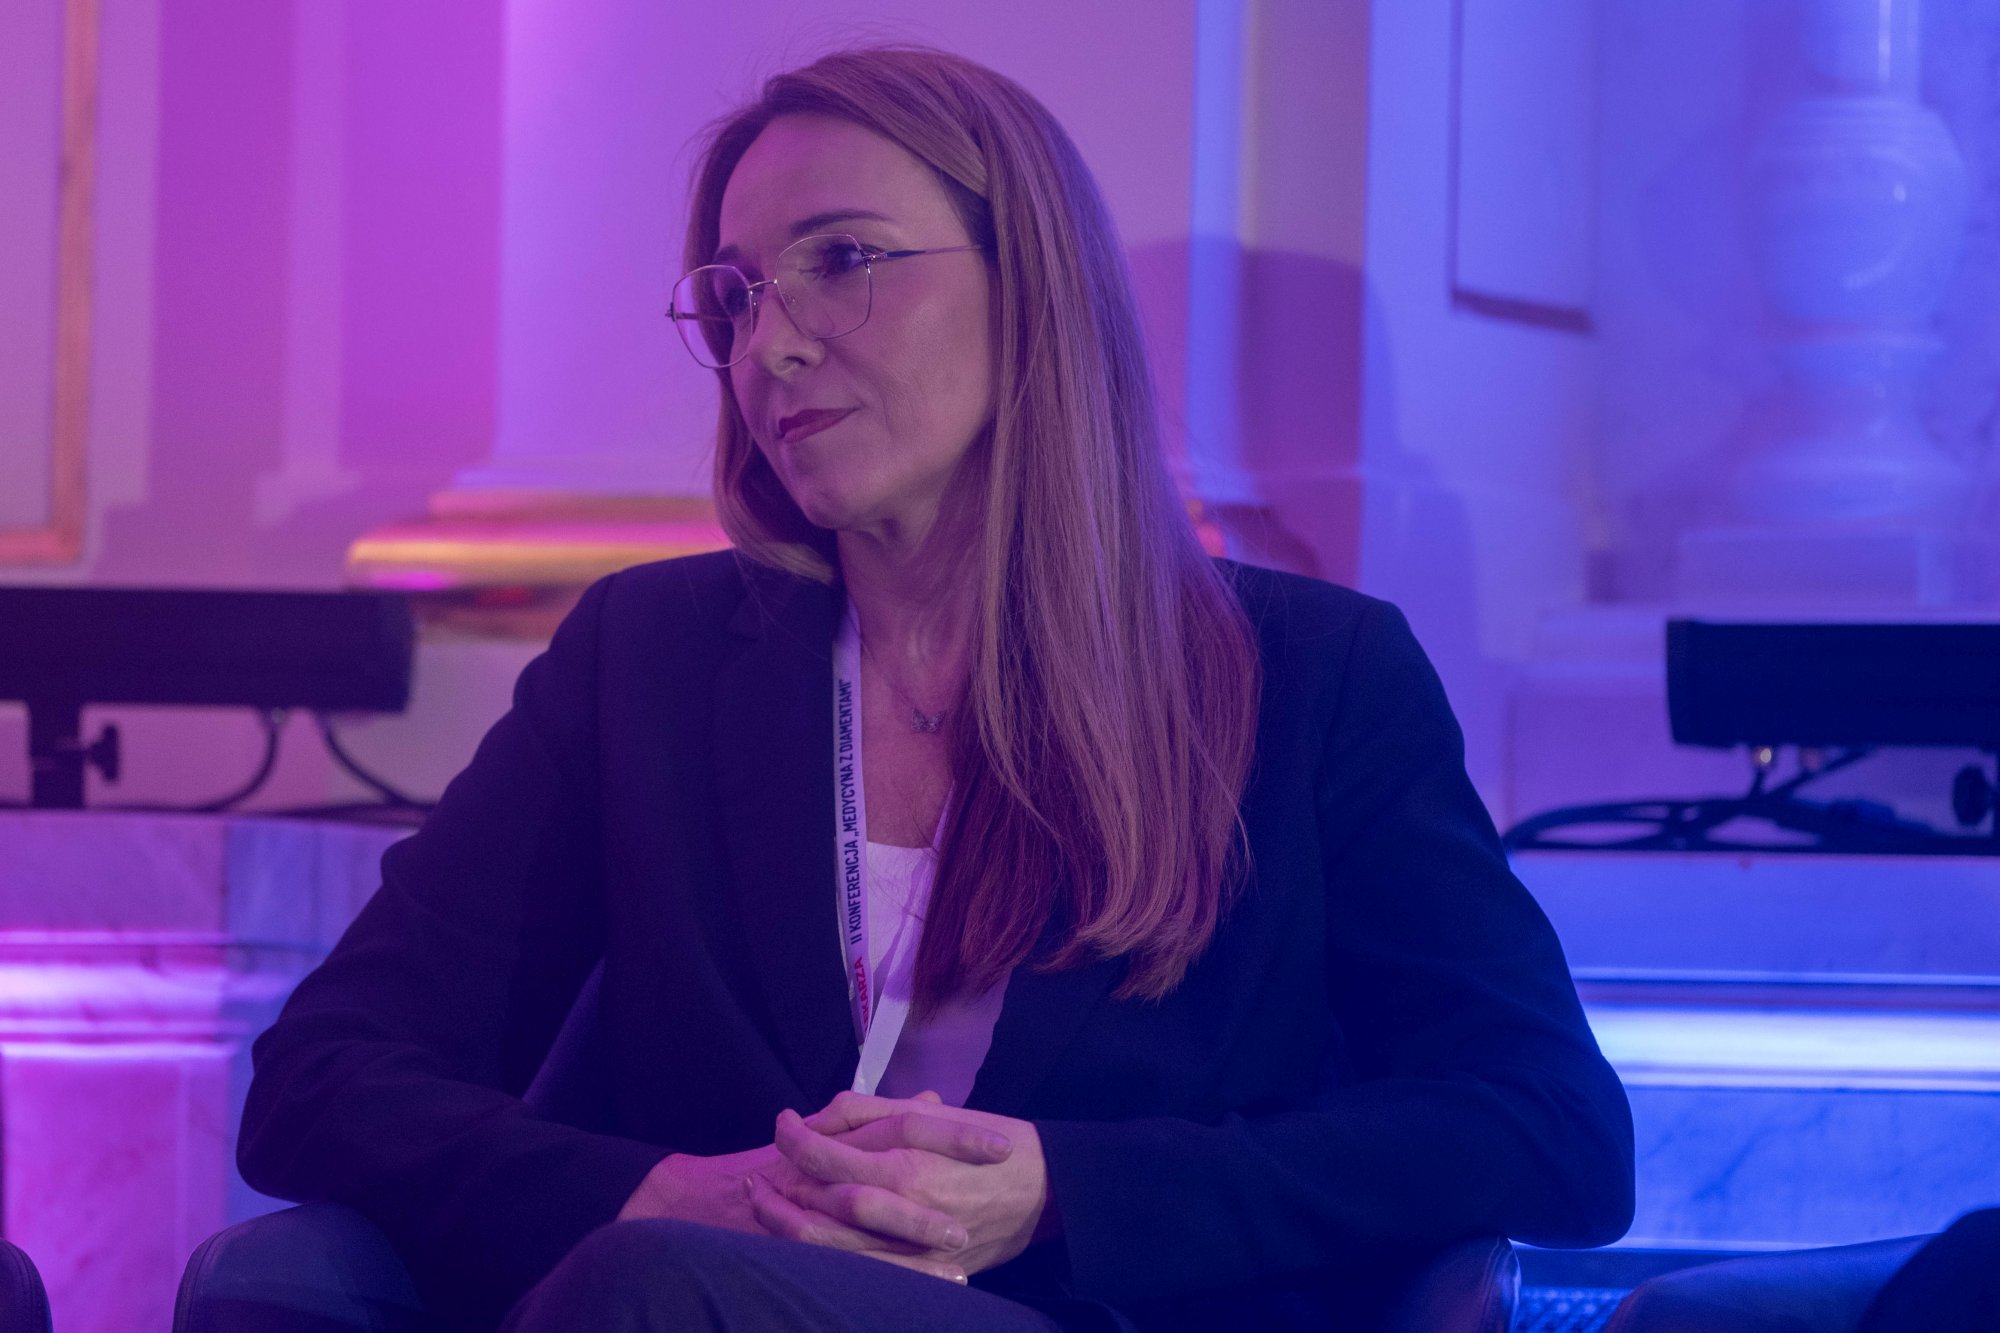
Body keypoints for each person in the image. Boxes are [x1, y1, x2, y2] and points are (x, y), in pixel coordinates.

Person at [237, 46, 1634, 1333]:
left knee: (654, 1293)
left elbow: (1549, 1126)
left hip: (1068, 1313)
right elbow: (323, 1072)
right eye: (736, 296)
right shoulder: (643, 660)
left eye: (843, 260)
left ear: (1033, 292)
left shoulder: (1314, 678)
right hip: (681, 1297)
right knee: (572, 1278)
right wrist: (657, 1190)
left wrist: (1063, 1189)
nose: (769, 347)